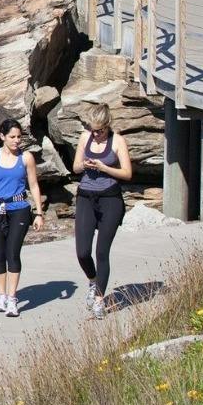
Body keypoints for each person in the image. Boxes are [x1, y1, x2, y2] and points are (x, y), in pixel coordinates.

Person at [0, 119, 46, 317]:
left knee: (13, 253)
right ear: (2, 136)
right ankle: (1, 296)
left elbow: (34, 185)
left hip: (19, 208)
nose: (16, 141)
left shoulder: (26, 158)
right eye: (12, 137)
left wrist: (39, 213)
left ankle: (12, 298)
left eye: (19, 137)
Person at [72, 103, 133, 320]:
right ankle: (92, 279)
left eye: (100, 131)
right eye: (93, 130)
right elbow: (75, 167)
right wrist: (86, 165)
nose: (96, 134)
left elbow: (127, 173)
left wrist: (105, 168)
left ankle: (99, 299)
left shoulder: (117, 141)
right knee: (82, 251)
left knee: (101, 252)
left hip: (110, 198)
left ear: (107, 126)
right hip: (86, 196)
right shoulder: (85, 137)